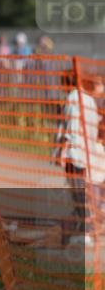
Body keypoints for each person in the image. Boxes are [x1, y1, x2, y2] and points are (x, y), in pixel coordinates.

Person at [58, 74, 105, 246]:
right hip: (84, 155)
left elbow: (71, 127)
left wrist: (64, 149)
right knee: (82, 194)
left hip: (78, 155)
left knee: (80, 194)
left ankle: (79, 229)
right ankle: (78, 229)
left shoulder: (76, 98)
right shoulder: (87, 100)